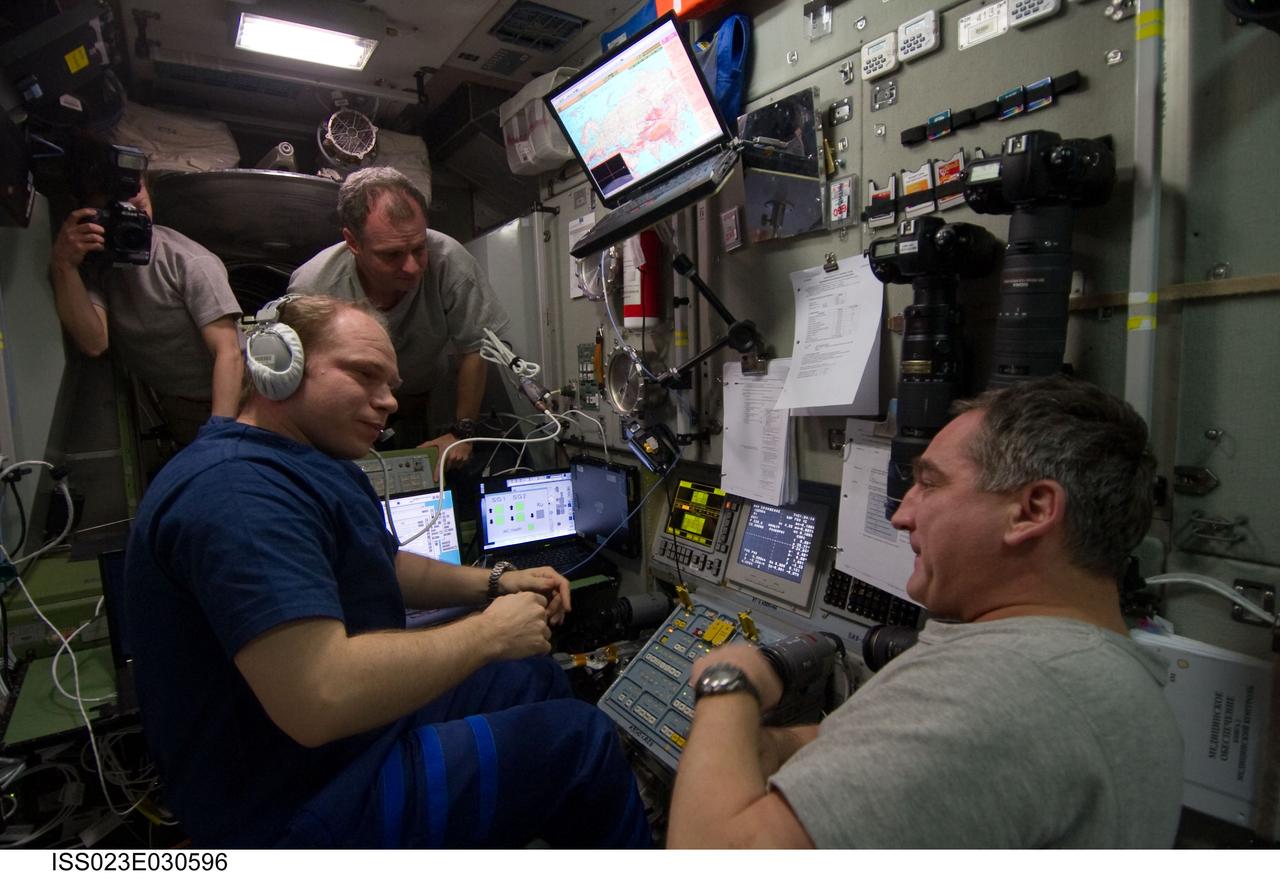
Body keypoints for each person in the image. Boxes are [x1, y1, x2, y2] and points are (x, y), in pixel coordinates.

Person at [123, 295, 649, 848]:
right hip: (295, 803)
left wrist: (496, 582)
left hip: (342, 747)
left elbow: (382, 564)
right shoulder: (240, 493)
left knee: (530, 675)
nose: (389, 401)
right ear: (278, 364)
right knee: (583, 741)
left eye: (392, 385)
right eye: (364, 374)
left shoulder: (310, 463)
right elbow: (320, 696)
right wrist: (489, 633)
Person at [667, 375, 1184, 848]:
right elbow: (895, 751)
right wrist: (777, 748)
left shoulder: (996, 686)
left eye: (930, 483)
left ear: (1031, 511)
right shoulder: (1094, 669)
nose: (902, 514)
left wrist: (731, 684)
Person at [287, 167, 510, 468]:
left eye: (418, 248)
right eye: (391, 255)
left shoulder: (449, 261)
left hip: (425, 398)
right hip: (346, 411)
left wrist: (462, 433)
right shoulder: (314, 286)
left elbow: (474, 349)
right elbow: (304, 376)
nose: (412, 267)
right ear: (353, 243)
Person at [49, 168, 243, 445]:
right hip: (179, 403)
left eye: (140, 209)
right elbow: (93, 342)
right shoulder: (97, 267)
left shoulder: (188, 261)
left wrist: (220, 432)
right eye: (117, 214)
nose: (133, 221)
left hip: (233, 395)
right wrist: (63, 265)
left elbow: (229, 352)